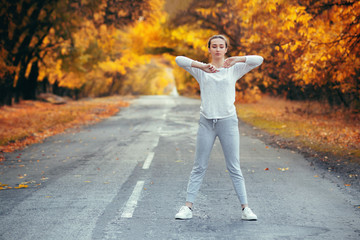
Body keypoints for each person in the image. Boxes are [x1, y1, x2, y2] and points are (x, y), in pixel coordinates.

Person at [174, 35, 263, 221]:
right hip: (206, 122)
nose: (217, 49)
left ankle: (246, 208)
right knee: (199, 166)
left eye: (221, 46)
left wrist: (238, 59)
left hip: (228, 122)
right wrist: (202, 66)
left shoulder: (233, 69)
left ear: (225, 49)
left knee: (234, 167)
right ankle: (187, 207)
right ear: (209, 49)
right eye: (213, 46)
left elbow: (259, 60)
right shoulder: (202, 71)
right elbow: (178, 60)